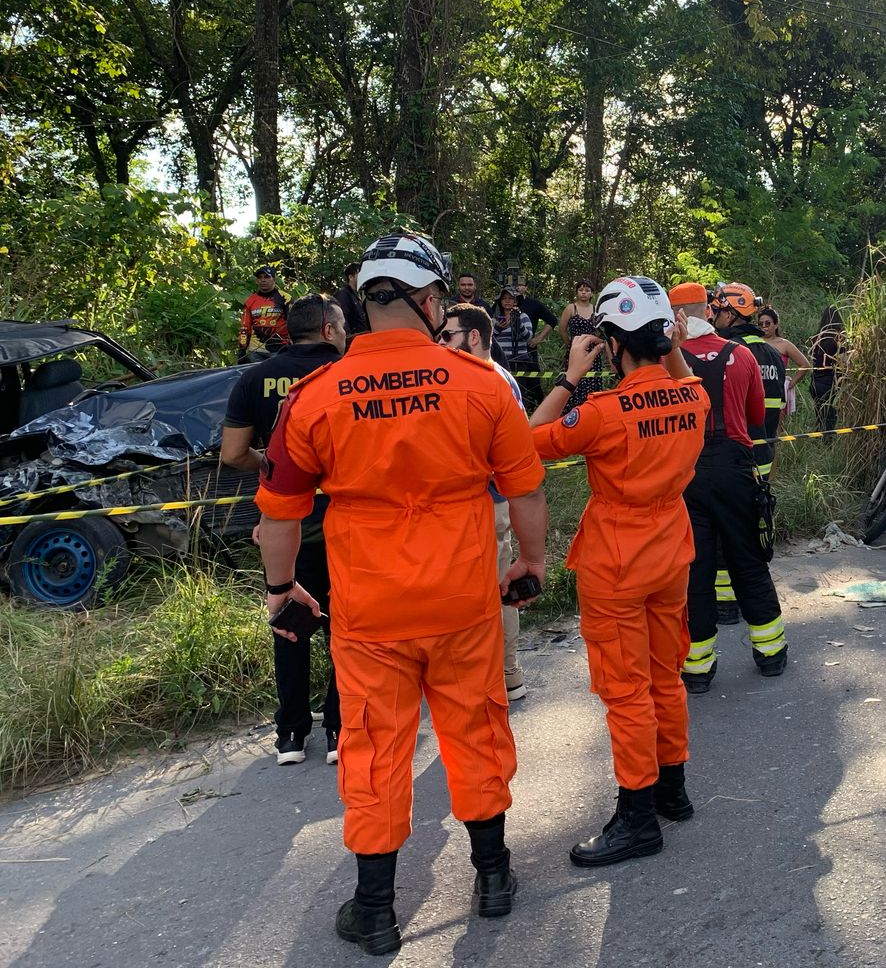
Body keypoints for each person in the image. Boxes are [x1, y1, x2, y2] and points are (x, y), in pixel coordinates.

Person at [254, 231, 550, 955]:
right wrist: (530, 564)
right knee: (476, 730)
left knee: (374, 746)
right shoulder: (480, 382)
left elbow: (278, 517)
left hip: (371, 609)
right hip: (464, 598)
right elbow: (526, 489)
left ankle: (376, 908)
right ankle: (494, 878)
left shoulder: (314, 397)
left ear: (363, 303)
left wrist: (280, 592)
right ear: (426, 299)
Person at [527, 276, 709, 867]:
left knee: (626, 691)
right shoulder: (692, 397)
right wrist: (672, 346)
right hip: (671, 552)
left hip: (616, 561)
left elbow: (529, 441)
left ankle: (636, 817)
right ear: (664, 337)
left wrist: (569, 375)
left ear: (609, 342)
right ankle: (673, 792)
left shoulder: (601, 413)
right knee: (666, 676)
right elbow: (685, 381)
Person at [221, 294, 347, 767]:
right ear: (330, 330)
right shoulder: (346, 378)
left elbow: (232, 454)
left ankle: (291, 734)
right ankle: (338, 728)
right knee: (346, 627)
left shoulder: (253, 378)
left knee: (289, 622)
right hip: (343, 524)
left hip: (281, 524)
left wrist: (279, 469)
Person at [674, 282, 787, 687]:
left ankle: (698, 668)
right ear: (710, 310)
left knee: (696, 569)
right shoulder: (740, 355)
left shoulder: (668, 359)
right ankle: (771, 654)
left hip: (686, 473)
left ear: (677, 317)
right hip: (737, 469)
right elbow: (758, 414)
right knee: (749, 561)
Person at [440, 302, 533, 704]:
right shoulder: (501, 379)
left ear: (473, 336)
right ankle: (506, 674)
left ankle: (493, 678)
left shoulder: (484, 380)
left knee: (485, 595)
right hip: (487, 504)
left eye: (447, 335)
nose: (439, 342)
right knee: (497, 593)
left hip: (486, 503)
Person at [710, 283, 785, 477]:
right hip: (764, 458)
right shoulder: (773, 354)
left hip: (736, 459)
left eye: (716, 310)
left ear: (728, 314)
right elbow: (778, 407)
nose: (712, 315)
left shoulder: (729, 352)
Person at [756, 306, 809, 424]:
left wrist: (791, 383)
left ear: (776, 324)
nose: (764, 326)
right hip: (757, 390)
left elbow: (805, 364)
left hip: (777, 392)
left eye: (768, 323)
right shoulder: (754, 342)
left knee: (776, 428)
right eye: (761, 324)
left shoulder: (784, 344)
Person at [558, 280, 605, 411]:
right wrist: (569, 343)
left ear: (591, 294)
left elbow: (599, 330)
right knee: (573, 380)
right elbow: (562, 329)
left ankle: (592, 410)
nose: (584, 293)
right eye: (581, 290)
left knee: (592, 382)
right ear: (577, 292)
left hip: (592, 352)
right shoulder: (570, 308)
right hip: (575, 350)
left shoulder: (596, 310)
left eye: (587, 290)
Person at [513, 284, 560, 405]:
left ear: (526, 287)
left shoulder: (533, 304)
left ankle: (536, 407)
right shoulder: (502, 303)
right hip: (507, 350)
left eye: (521, 284)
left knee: (533, 383)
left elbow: (552, 320)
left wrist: (538, 338)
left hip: (528, 350)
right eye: (514, 284)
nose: (517, 288)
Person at [237, 266, 290, 362]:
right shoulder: (250, 301)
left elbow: (293, 324)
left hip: (280, 348)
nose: (263, 280)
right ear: (256, 281)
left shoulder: (285, 298)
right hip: (255, 351)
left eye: (266, 277)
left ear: (274, 279)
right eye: (260, 277)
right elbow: (245, 327)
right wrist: (242, 348)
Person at [491, 287, 536, 384]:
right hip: (500, 360)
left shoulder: (523, 316)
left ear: (515, 301)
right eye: (504, 298)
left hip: (520, 360)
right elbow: (489, 339)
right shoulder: (495, 319)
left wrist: (519, 324)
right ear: (500, 301)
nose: (507, 301)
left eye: (510, 298)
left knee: (519, 388)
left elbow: (528, 337)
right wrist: (498, 328)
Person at [809, 305, 843, 435]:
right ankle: (826, 444)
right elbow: (844, 361)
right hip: (830, 384)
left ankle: (817, 440)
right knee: (829, 418)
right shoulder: (838, 340)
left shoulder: (816, 338)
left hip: (815, 382)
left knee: (819, 415)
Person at [332, 262, 370, 338]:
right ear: (351, 277)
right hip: (351, 341)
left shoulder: (356, 294)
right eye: (359, 274)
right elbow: (342, 319)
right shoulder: (343, 294)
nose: (363, 277)